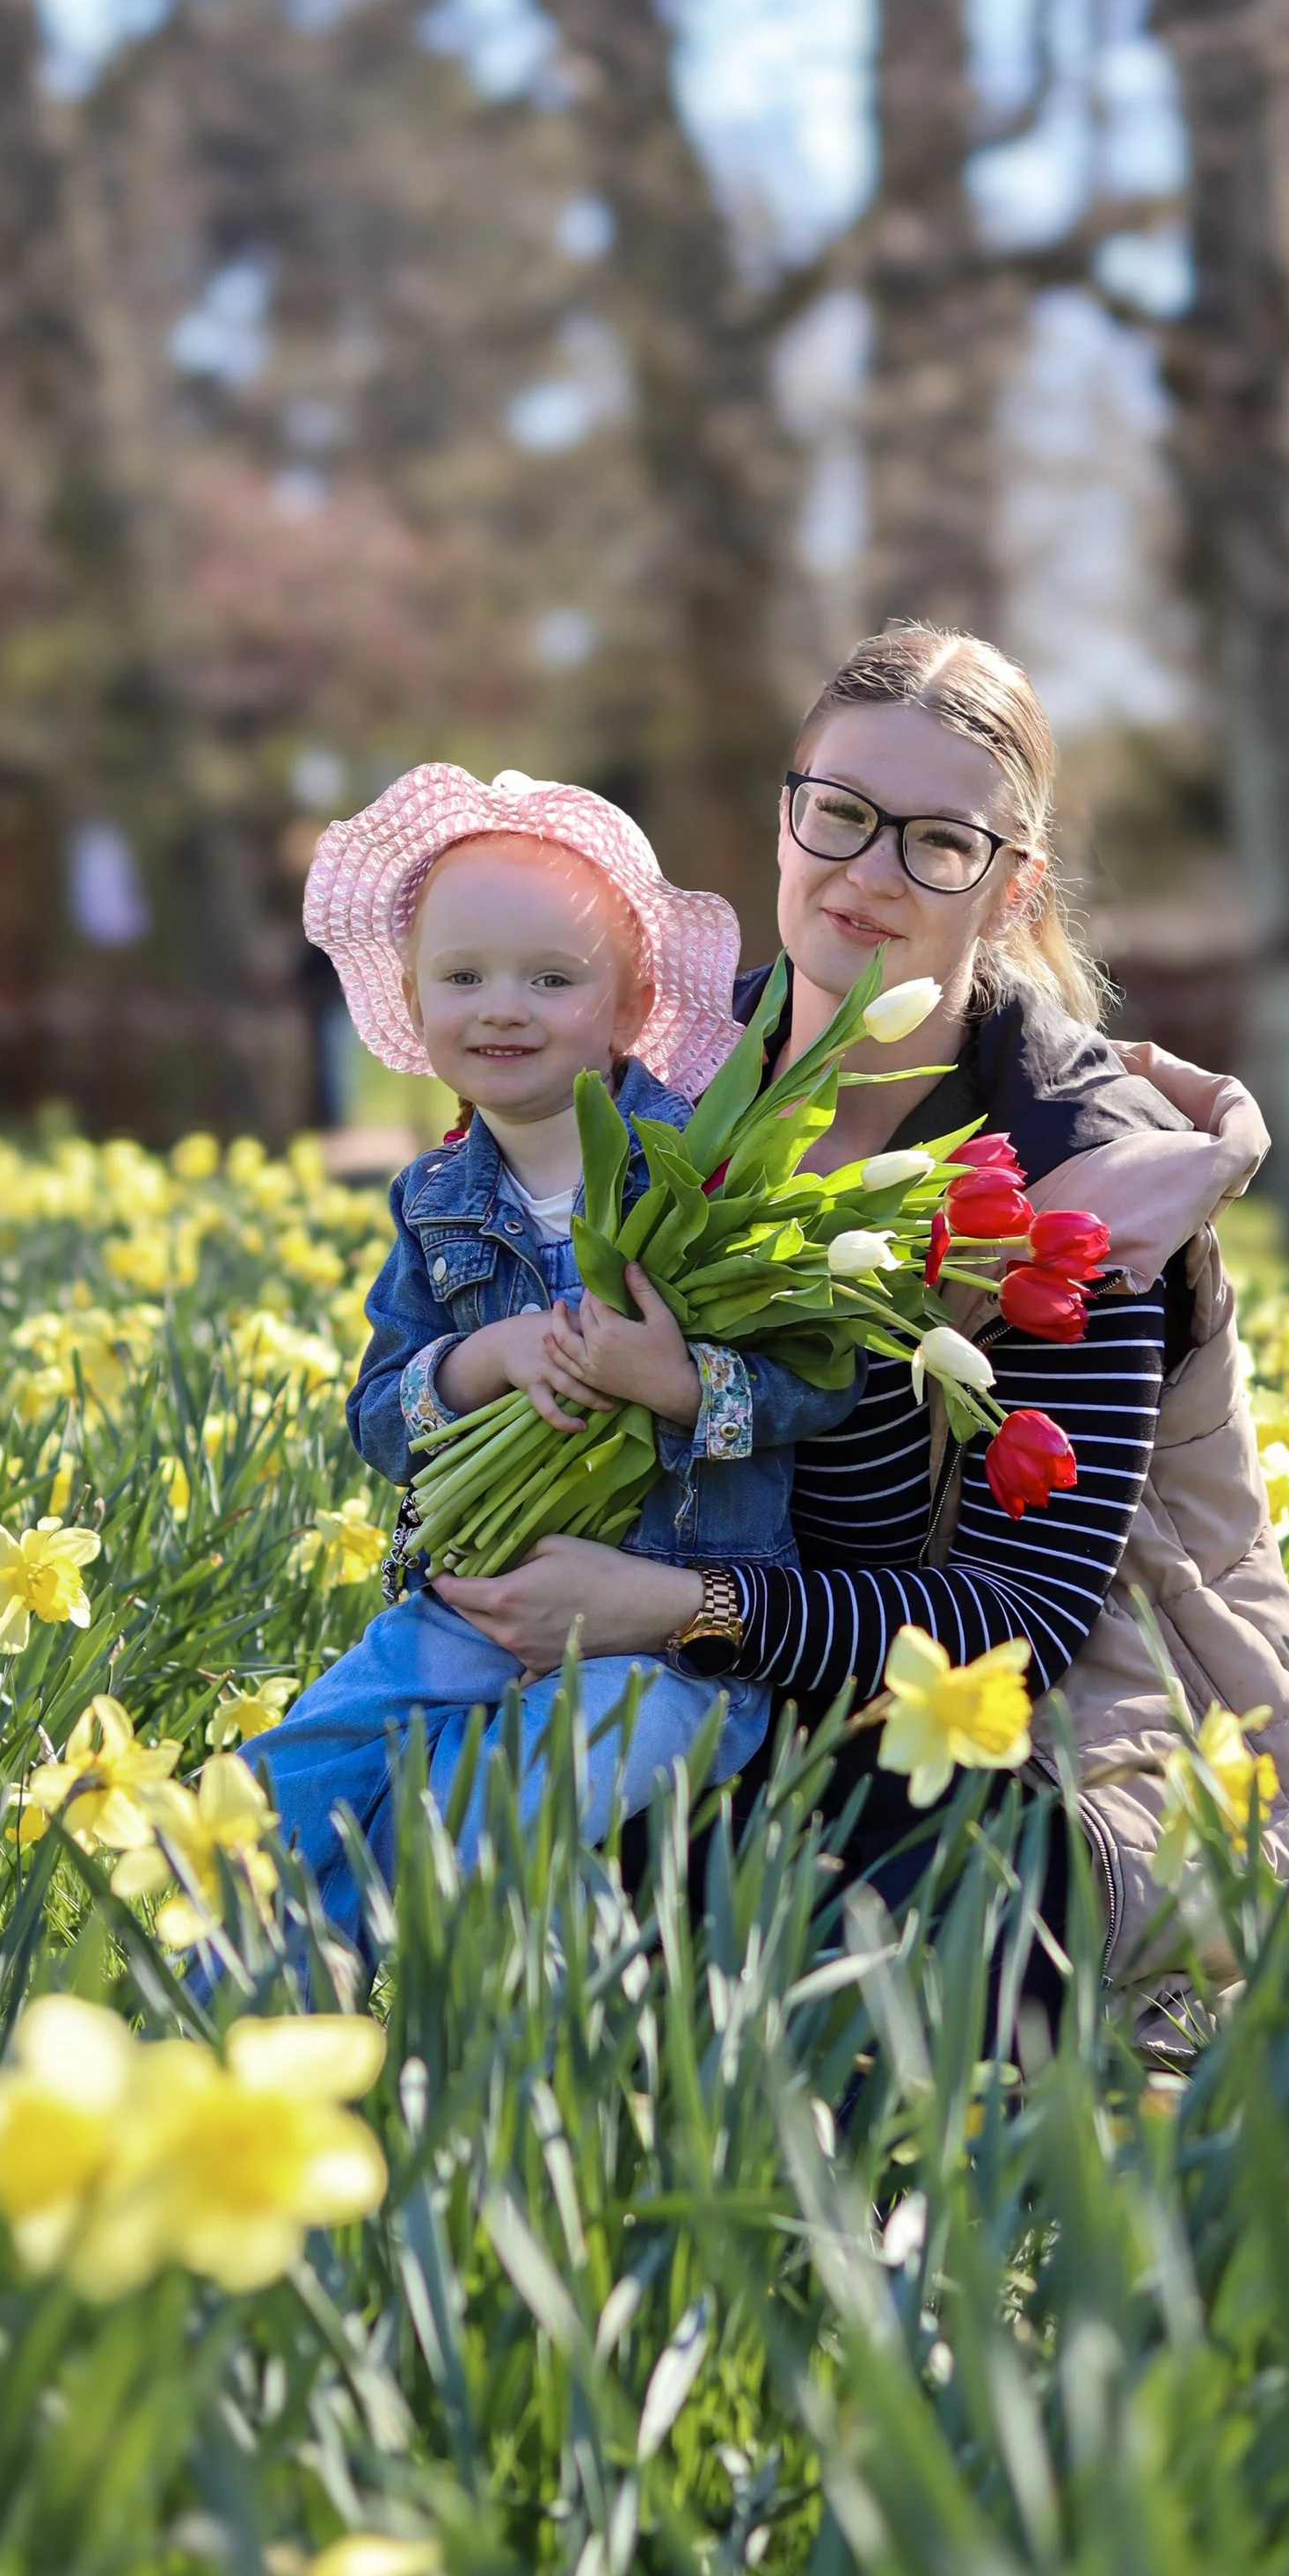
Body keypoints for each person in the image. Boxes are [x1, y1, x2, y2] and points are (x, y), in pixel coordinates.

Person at [426, 629, 1289, 2049]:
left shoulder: (1080, 1172)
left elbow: (1022, 1627)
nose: (868, 872)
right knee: (457, 1850)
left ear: (1013, 882)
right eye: (839, 812)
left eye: (939, 843)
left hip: (1041, 1748)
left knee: (786, 1909)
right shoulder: (664, 1079)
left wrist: (671, 1609)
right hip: (729, 1689)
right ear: (786, 811)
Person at [244, 762, 859, 1927]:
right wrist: (482, 1360)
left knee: (484, 1824)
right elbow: (379, 1413)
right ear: (415, 1010)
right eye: (462, 977)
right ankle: (233, 2013)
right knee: (281, 1792)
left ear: (628, 1007)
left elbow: (815, 1388)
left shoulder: (712, 1173)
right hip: (465, 1609)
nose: (501, 1006)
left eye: (550, 977)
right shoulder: (434, 1198)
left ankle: (521, 2049)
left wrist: (674, 1385)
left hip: (669, 1656)